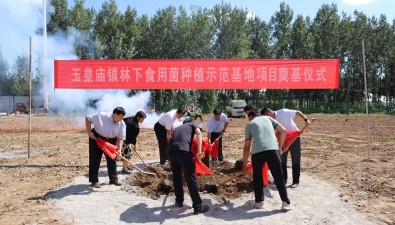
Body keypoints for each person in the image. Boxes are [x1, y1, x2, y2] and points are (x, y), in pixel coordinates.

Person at [243, 111, 291, 210]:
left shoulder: (250, 124)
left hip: (257, 153)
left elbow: (247, 146)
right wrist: (280, 147)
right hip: (273, 150)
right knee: (278, 176)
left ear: (251, 116)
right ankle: (285, 203)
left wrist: (244, 165)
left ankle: (259, 202)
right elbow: (283, 131)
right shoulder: (268, 118)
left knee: (258, 177)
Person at [167, 117, 209, 215]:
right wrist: (199, 152)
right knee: (190, 178)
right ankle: (198, 206)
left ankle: (179, 201)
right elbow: (198, 133)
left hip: (170, 152)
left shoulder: (178, 128)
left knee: (177, 177)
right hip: (183, 151)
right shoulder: (192, 124)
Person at [261, 107, 311, 188]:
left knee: (295, 160)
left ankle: (295, 181)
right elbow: (275, 134)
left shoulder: (283, 112)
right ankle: (283, 179)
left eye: (266, 117)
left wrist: (306, 120)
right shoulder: (270, 122)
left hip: (294, 137)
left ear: (268, 114)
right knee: (282, 160)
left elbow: (297, 112)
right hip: (283, 140)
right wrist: (281, 145)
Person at [86, 107, 126, 188]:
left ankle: (113, 179)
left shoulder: (122, 124)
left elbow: (121, 138)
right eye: (120, 117)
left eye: (122, 117)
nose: (122, 119)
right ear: (115, 114)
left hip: (110, 141)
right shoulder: (102, 116)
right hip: (97, 138)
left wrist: (119, 149)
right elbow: (88, 118)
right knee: (95, 159)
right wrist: (89, 131)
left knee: (112, 158)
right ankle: (94, 181)